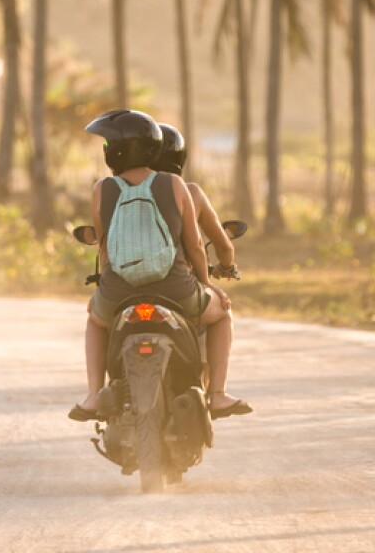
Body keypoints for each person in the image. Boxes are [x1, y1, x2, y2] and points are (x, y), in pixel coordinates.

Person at [69, 110, 251, 423]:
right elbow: (195, 245)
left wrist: (108, 287)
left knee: (94, 319)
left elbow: (105, 246)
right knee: (222, 312)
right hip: (176, 292)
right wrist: (207, 284)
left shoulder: (102, 189)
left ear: (116, 151)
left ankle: (92, 395)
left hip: (118, 295)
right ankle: (218, 394)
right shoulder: (175, 184)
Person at [152, 123, 238, 279]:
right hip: (179, 284)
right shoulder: (191, 192)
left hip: (125, 287)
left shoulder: (122, 192)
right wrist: (227, 268)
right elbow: (223, 248)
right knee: (222, 302)